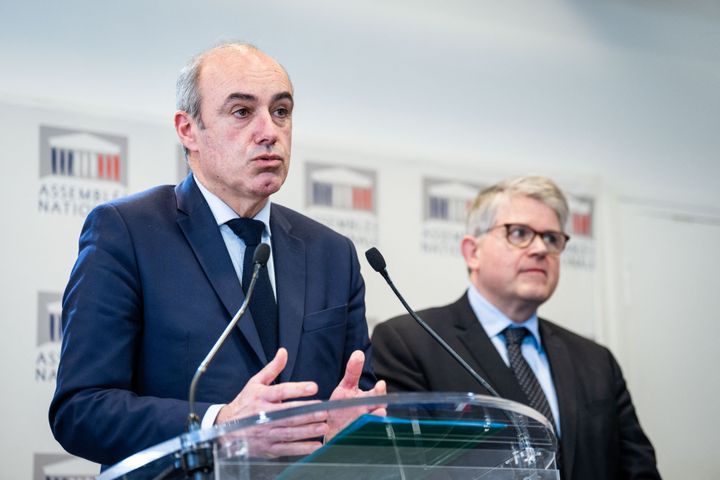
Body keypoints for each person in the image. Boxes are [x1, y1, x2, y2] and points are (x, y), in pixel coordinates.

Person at [49, 43, 385, 468]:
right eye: (242, 112)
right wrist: (219, 426)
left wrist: (352, 428)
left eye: (281, 111)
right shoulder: (127, 232)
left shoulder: (332, 253)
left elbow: (356, 399)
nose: (269, 131)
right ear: (188, 129)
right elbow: (81, 410)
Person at [371, 176, 660, 480]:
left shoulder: (596, 360)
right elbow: (406, 469)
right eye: (519, 233)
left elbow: (639, 471)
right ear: (473, 252)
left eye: (551, 238)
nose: (540, 249)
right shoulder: (410, 342)